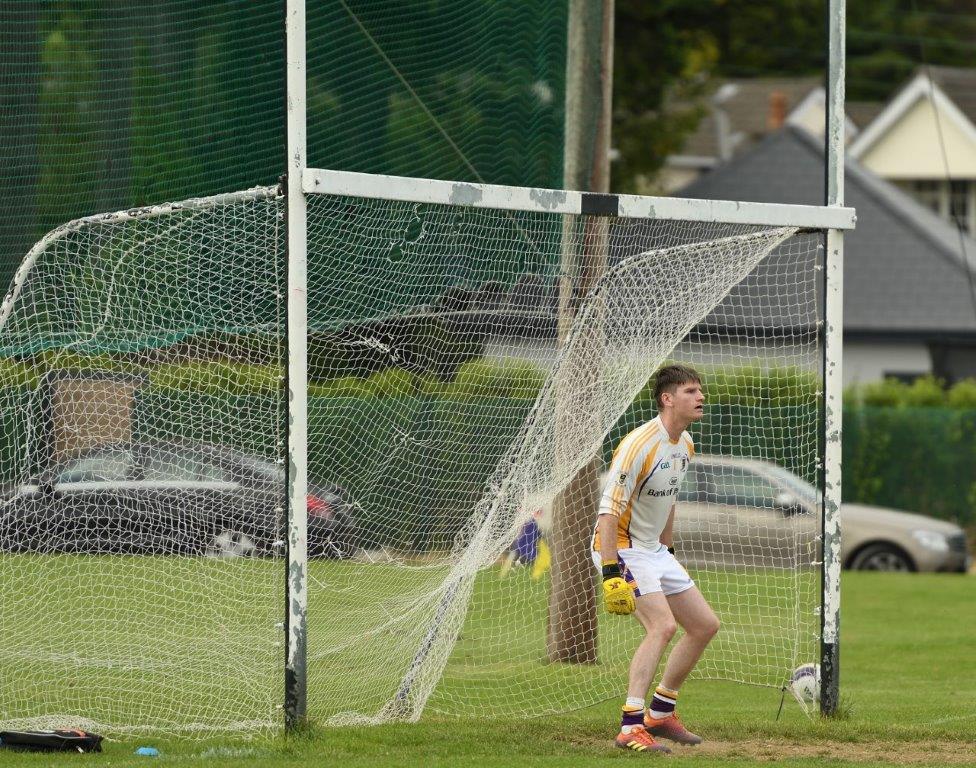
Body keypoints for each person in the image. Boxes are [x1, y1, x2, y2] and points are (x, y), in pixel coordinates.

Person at [591, 363, 719, 754]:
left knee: (704, 626)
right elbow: (608, 512)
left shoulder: (685, 445)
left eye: (700, 391)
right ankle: (631, 725)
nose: (700, 398)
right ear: (667, 399)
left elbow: (669, 500)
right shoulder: (638, 445)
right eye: (691, 391)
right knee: (661, 627)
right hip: (622, 547)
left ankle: (661, 713)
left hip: (654, 551)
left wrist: (669, 551)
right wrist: (612, 571)